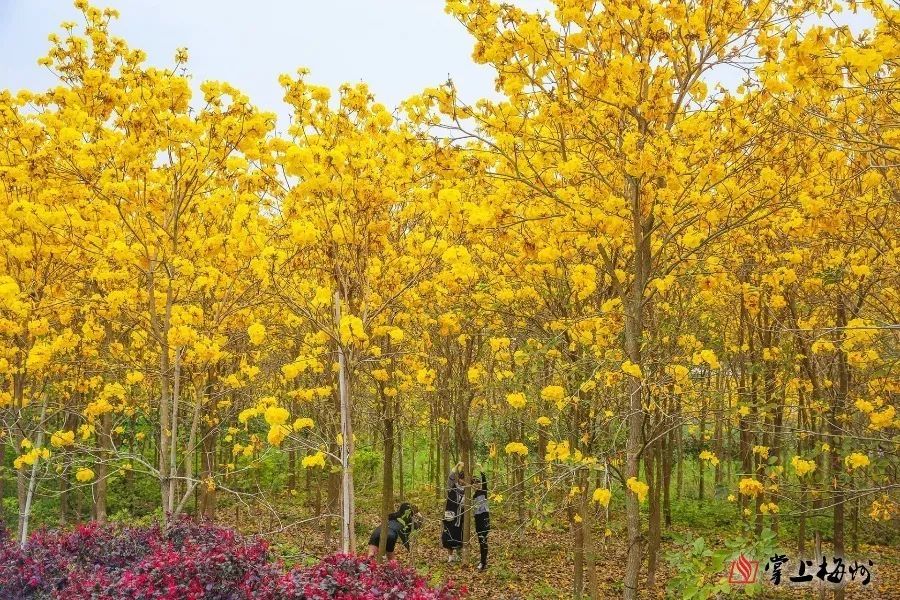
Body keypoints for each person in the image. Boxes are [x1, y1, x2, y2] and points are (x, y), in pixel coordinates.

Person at [441, 462, 465, 562]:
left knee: (459, 535)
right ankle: (450, 557)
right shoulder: (453, 486)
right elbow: (450, 477)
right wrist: (457, 466)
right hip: (450, 516)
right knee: (448, 535)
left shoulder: (466, 491)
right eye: (461, 479)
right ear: (458, 479)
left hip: (460, 517)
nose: (463, 481)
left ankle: (459, 556)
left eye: (464, 479)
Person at [473, 465, 490, 571]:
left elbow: (485, 482)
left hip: (484, 519)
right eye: (474, 483)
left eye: (477, 483)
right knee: (480, 541)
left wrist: (481, 469)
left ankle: (483, 562)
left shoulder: (483, 492)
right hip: (477, 519)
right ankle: (482, 561)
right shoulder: (473, 496)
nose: (476, 485)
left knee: (483, 540)